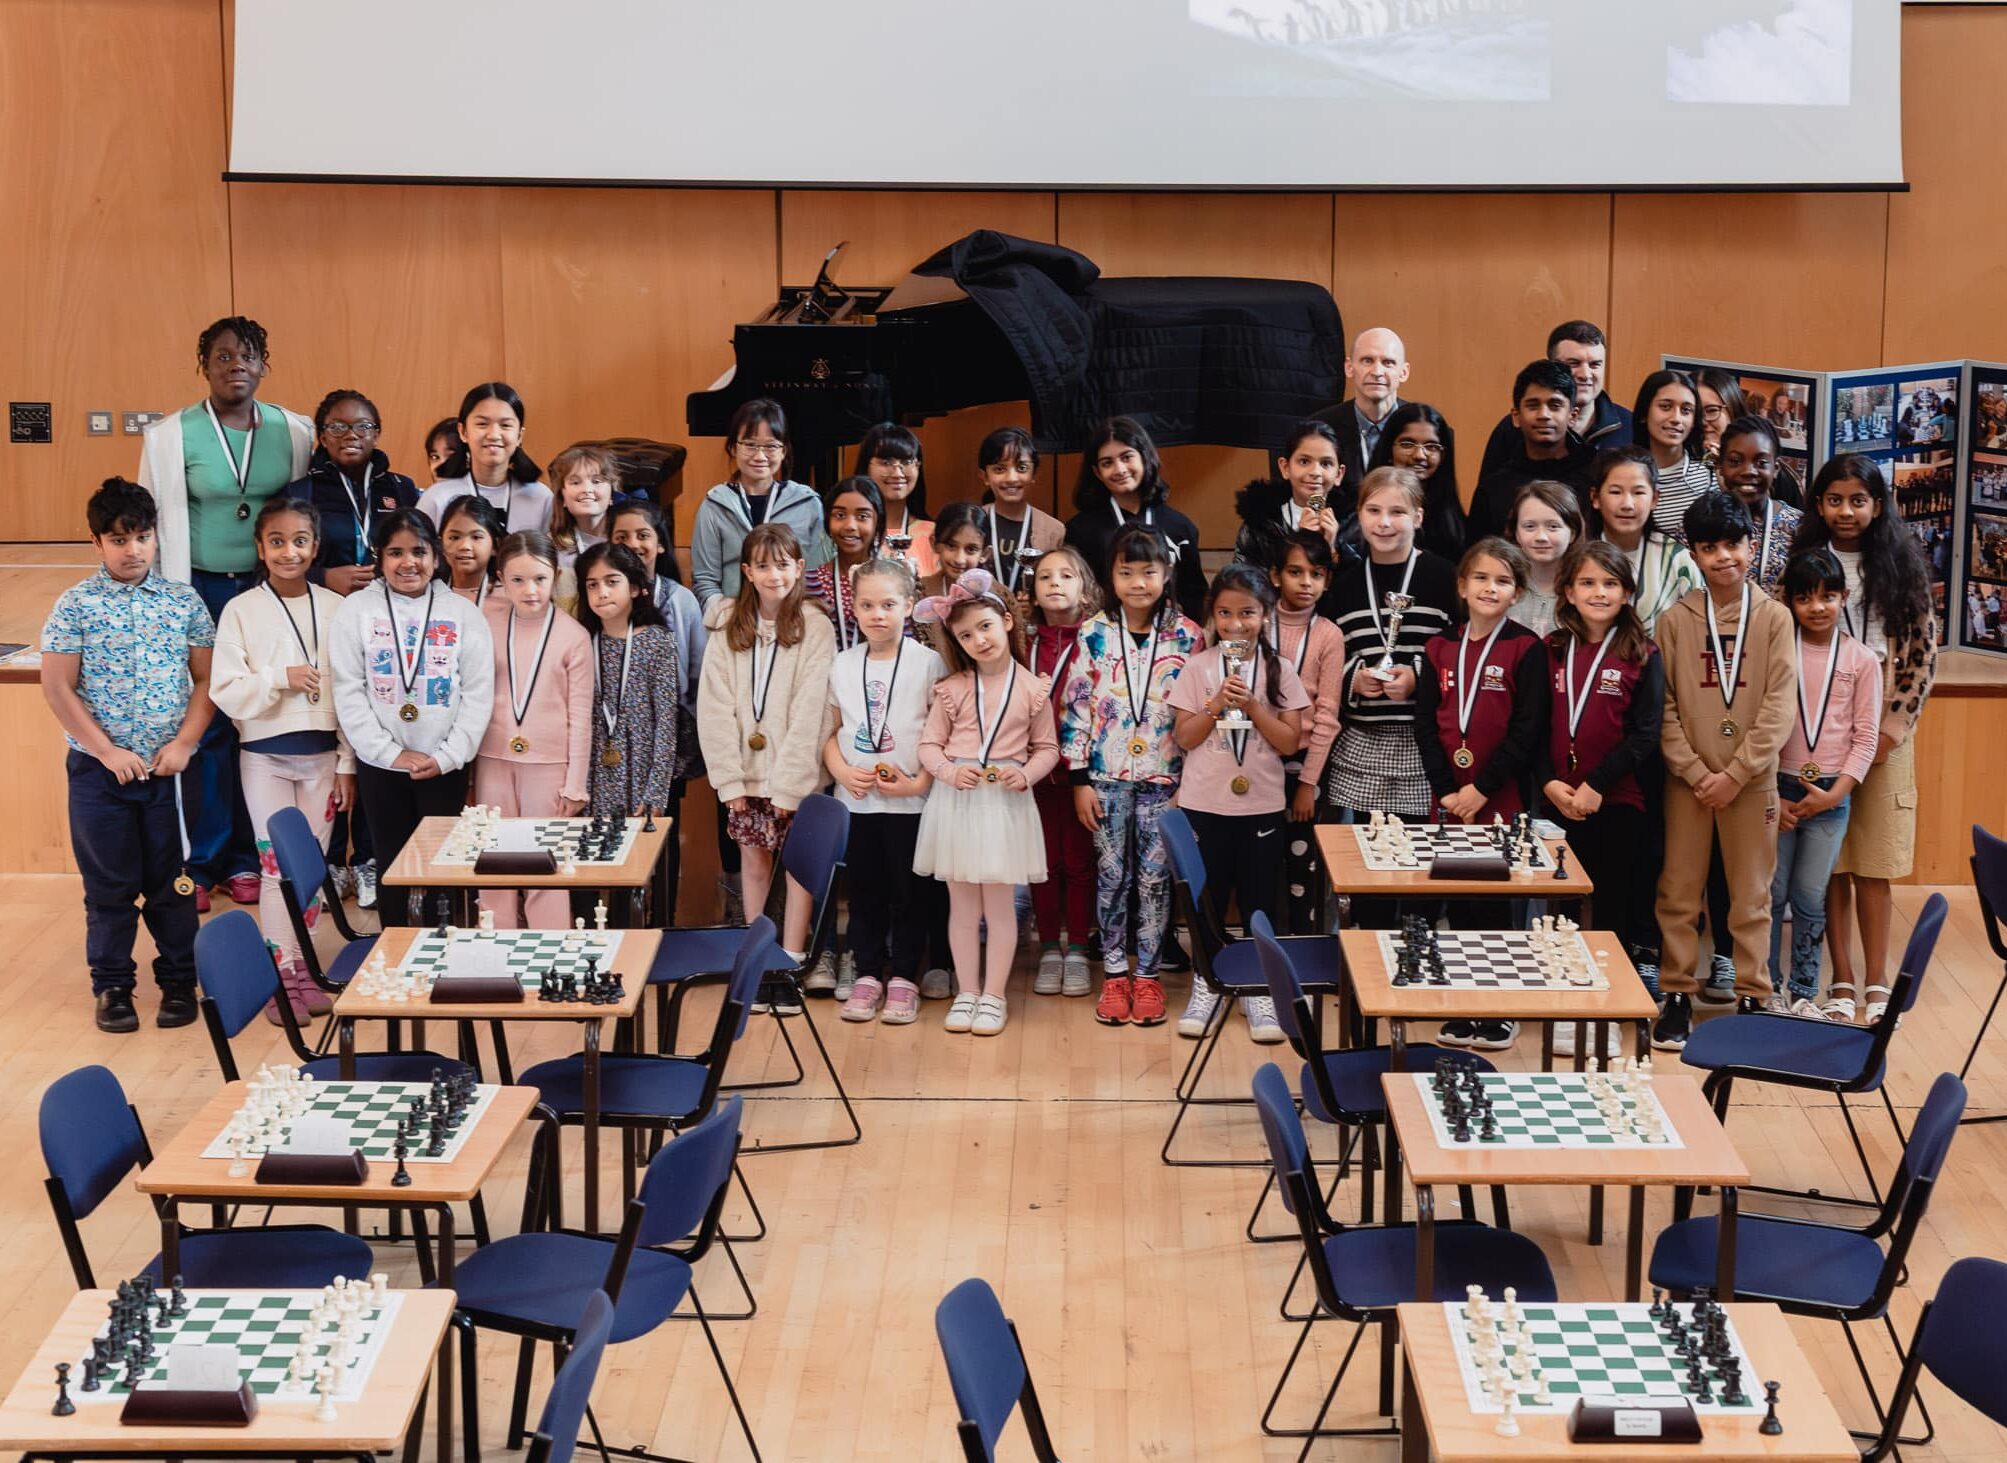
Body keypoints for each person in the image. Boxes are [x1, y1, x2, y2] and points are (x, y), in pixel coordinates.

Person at [137, 316, 314, 909]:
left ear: (264, 363)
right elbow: (152, 523)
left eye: (247, 355)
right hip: (203, 593)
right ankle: (205, 860)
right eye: (221, 355)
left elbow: (303, 513)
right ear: (204, 365)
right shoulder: (169, 436)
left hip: (271, 596)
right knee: (209, 721)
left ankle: (249, 858)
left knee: (261, 720)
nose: (235, 363)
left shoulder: (294, 431)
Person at [40, 479, 216, 1033]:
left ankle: (179, 981)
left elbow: (207, 680)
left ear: (156, 539)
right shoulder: (75, 605)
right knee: (110, 888)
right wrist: (107, 750)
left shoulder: (182, 601)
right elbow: (57, 688)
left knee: (174, 885)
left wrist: (185, 743)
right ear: (96, 543)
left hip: (169, 773)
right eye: (118, 539)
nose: (132, 549)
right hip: (100, 776)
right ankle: (113, 986)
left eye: (142, 536)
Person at [1792, 455, 1939, 1024]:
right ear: (1819, 504)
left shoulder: (1901, 568)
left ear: (1878, 505)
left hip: (1885, 736)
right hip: (1819, 735)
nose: (1846, 511)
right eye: (1834, 499)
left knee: (1874, 861)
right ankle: (1843, 978)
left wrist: (1893, 728)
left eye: (1858, 500)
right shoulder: (1802, 567)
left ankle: (1878, 979)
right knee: (1831, 863)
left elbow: (1922, 660)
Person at [1650, 490, 1795, 1051]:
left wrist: (1737, 772)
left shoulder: (1775, 618)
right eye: (1709, 548)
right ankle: (1678, 991)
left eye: (1732, 545)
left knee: (1752, 894)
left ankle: (1754, 993)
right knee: (1679, 891)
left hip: (1750, 781)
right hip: (1688, 783)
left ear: (1750, 546)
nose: (1723, 558)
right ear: (1694, 553)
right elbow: (1662, 708)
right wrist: (1692, 768)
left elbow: (1779, 705)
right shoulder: (1676, 620)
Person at [209, 497, 355, 1023]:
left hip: (322, 760)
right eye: (277, 542)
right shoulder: (241, 610)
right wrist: (280, 678)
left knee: (310, 870)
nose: (289, 551)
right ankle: (279, 975)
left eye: (300, 541)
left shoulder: (337, 607)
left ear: (316, 546)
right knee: (276, 868)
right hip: (265, 758)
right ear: (260, 548)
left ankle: (305, 964)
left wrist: (347, 763)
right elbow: (225, 690)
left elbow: (354, 693)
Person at [1059, 526, 1204, 1027]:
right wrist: (1079, 779)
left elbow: (1198, 711)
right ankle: (1116, 974)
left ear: (1167, 574)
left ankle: (1149, 978)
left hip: (1166, 777)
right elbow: (1075, 707)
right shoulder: (1094, 632)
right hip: (1105, 778)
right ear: (1111, 577)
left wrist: (1190, 782)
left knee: (1155, 879)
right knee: (1112, 875)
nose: (1138, 582)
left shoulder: (1189, 635)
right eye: (1126, 572)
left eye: (1149, 571)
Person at [280, 388, 419, 910]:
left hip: (386, 630)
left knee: (375, 733)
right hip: (323, 623)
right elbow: (276, 556)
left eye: (362, 427)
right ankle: (333, 858)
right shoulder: (302, 491)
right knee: (335, 736)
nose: (351, 437)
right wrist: (324, 575)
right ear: (321, 435)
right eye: (337, 427)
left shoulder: (399, 487)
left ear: (377, 432)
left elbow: (417, 550)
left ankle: (368, 860)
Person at [328, 509, 494, 927]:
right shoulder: (355, 611)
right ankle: (397, 951)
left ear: (436, 556)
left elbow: (477, 692)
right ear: (379, 558)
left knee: (444, 862)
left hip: (444, 763)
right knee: (392, 862)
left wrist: (450, 755)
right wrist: (388, 752)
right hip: (382, 763)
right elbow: (348, 689)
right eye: (395, 552)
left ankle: (448, 949)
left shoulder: (462, 612)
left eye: (419, 551)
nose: (408, 562)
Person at [1414, 535, 1546, 1049]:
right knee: (1460, 904)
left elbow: (1526, 731)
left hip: (1500, 799)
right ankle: (1468, 1003)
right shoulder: (1439, 647)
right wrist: (1449, 790)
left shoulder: (1525, 648)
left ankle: (1500, 1008)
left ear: (1517, 593)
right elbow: (1426, 724)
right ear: (1462, 585)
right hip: (1448, 801)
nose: (1490, 588)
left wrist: (1481, 789)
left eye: (1503, 580)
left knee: (1498, 906)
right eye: (1481, 578)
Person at [913, 569, 1059, 1036]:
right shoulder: (952, 688)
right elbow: (928, 747)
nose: (979, 639)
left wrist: (1027, 773)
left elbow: (1049, 749)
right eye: (966, 635)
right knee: (962, 908)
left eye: (985, 627)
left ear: (1007, 622)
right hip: (958, 804)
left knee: (999, 908)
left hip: (1004, 808)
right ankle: (967, 992)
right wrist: (951, 771)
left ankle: (994, 995)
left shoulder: (1034, 689)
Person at [1169, 563, 1308, 1043]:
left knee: (1258, 903)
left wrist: (1252, 706)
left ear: (1265, 614)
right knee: (1208, 899)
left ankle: (1259, 988)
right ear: (1212, 615)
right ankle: (1207, 983)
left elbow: (1290, 743)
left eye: (1247, 612)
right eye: (1225, 613)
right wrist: (1214, 705)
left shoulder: (1280, 669)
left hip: (1262, 807)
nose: (1235, 624)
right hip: (1205, 806)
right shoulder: (1197, 667)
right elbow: (1185, 738)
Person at [1538, 540, 1665, 1054]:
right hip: (1556, 801)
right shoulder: (1548, 650)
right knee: (1563, 907)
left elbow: (1644, 734)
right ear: (1567, 590)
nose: (1598, 592)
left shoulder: (1643, 654)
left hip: (1616, 802)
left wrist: (1596, 786)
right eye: (1587, 582)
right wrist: (1550, 781)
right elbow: (1531, 725)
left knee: (1609, 906)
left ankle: (1607, 1011)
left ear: (1628, 593)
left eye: (1610, 583)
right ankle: (1569, 1006)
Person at [696, 523, 835, 982]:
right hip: (745, 774)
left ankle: (792, 961)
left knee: (796, 868)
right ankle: (755, 960)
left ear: (799, 567)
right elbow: (713, 708)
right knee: (753, 863)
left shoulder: (815, 626)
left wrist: (791, 786)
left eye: (782, 564)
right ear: (747, 572)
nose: (773, 574)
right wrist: (729, 781)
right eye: (762, 565)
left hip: (794, 775)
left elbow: (812, 711)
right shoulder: (726, 625)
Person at [825, 557, 944, 1026]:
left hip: (911, 802)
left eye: (889, 604)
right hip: (856, 802)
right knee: (865, 892)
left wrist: (918, 782)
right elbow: (831, 733)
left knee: (911, 893)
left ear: (909, 606)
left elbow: (940, 735)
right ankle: (868, 973)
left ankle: (905, 980)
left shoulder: (928, 662)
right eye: (868, 604)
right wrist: (840, 771)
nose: (878, 614)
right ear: (853, 608)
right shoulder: (843, 663)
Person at [1769, 550, 1879, 1016]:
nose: (1817, 607)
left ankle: (1804, 992)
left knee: (1810, 896)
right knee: (1771, 894)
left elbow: (1867, 734)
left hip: (1832, 795)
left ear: (1843, 597)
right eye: (1804, 598)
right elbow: (1760, 719)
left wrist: (1838, 792)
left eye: (1827, 597)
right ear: (1789, 601)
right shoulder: (1777, 650)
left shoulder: (1862, 659)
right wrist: (1771, 792)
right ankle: (1766, 986)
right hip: (1776, 789)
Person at [1325, 468, 1460, 842]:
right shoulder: (1344, 583)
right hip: (1362, 741)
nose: (1384, 523)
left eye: (1398, 512)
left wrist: (1419, 675)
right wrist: (1355, 676)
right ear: (1360, 515)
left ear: (1418, 516)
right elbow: (1332, 652)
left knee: (1421, 863)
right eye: (1374, 511)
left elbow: (1460, 650)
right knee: (1368, 865)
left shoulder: (1446, 577)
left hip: (1425, 742)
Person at [475, 532, 594, 929]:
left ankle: (551, 960)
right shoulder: (484, 622)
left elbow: (581, 717)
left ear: (556, 576)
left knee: (547, 869)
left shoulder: (573, 636)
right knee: (493, 864)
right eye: (518, 580)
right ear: (500, 578)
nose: (530, 591)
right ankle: (493, 959)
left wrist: (576, 783)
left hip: (550, 765)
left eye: (540, 580)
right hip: (492, 758)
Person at [607, 499, 706, 920]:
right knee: (613, 834)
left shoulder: (681, 600)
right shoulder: (600, 595)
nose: (633, 544)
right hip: (611, 741)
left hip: (668, 739)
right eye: (621, 537)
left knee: (660, 831)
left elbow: (698, 669)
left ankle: (660, 922)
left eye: (643, 535)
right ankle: (615, 924)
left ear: (661, 544)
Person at [1025, 545, 1100, 998]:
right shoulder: (1023, 641)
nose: (1055, 583)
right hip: (1034, 774)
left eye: (1066, 575)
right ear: (1033, 592)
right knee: (1044, 864)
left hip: (1079, 775)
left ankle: (1078, 949)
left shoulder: (1097, 639)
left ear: (1085, 588)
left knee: (1078, 862)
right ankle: (1049, 947)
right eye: (1045, 577)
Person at [1270, 531, 1346, 935]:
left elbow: (1328, 715)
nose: (1305, 583)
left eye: (1316, 574)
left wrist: (1307, 782)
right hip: (1259, 760)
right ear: (1274, 575)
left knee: (1304, 866)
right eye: (1295, 572)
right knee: (1261, 860)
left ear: (1327, 581)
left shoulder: (1329, 635)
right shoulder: (1256, 622)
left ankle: (1303, 946)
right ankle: (1261, 950)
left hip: (1307, 768)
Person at [576, 542, 679, 829]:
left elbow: (666, 723)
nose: (602, 593)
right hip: (592, 768)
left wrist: (656, 789)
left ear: (634, 588)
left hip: (640, 765)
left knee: (635, 859)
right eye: (592, 585)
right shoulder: (581, 640)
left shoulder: (658, 642)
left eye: (612, 582)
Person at [690, 398, 825, 618]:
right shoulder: (714, 505)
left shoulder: (807, 504)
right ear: (733, 447)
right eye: (750, 445)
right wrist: (727, 617)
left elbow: (816, 575)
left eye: (771, 446)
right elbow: (705, 581)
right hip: (731, 621)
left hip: (792, 620)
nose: (760, 456)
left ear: (784, 451)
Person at [1063, 416, 1206, 622]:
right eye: (1107, 463)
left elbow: (1195, 592)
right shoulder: (1080, 531)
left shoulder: (1180, 527)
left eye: (1127, 457)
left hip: (1168, 640)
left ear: (1145, 458)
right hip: (1104, 640)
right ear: (1097, 472)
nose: (1119, 469)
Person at [1476, 321, 1632, 496]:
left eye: (1595, 364)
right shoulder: (1513, 427)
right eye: (1574, 363)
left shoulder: (1629, 426)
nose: (1585, 374)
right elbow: (1489, 495)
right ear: (1552, 366)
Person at [1469, 360, 1588, 540]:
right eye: (1533, 405)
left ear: (1573, 416)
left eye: (1554, 405)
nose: (1544, 415)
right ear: (1516, 416)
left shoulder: (1595, 475)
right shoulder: (1494, 487)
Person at [415, 382, 554, 536]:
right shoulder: (437, 498)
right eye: (482, 424)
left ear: (519, 436)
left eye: (505, 425)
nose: (494, 435)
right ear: (463, 432)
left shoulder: (542, 498)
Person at [1587, 444, 1698, 634]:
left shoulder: (1676, 557)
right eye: (1615, 492)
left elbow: (1700, 623)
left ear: (1654, 499)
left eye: (1638, 492)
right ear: (1595, 497)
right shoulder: (1581, 558)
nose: (1627, 504)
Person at [1235, 420, 1350, 598]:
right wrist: (1298, 544)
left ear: (1339, 474)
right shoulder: (1261, 523)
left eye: (1326, 463)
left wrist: (1331, 549)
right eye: (1304, 461)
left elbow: (1357, 589)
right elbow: (1243, 586)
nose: (1315, 472)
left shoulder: (1353, 522)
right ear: (1285, 467)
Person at [1364, 402, 1466, 563]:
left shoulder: (1455, 521)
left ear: (1443, 455)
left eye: (1431, 446)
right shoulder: (1363, 511)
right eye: (1407, 444)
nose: (1419, 455)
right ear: (1389, 449)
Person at [977, 425, 1065, 605]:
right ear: (984, 476)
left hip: (1033, 628)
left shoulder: (1053, 531)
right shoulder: (971, 522)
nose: (1011, 478)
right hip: (982, 625)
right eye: (999, 469)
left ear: (1034, 473)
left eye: (1021, 468)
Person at [1314, 326, 1412, 488]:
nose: (1377, 371)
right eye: (1367, 361)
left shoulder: (1427, 430)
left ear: (1404, 372)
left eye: (1388, 362)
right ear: (1349, 367)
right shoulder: (1319, 429)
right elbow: (1311, 493)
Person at [1714, 415, 1802, 593]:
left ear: (1776, 468)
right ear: (1720, 466)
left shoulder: (1798, 527)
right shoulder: (1701, 522)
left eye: (1761, 462)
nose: (1748, 471)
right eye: (1735, 461)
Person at [803, 476, 883, 656]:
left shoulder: (894, 583)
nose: (850, 526)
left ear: (878, 522)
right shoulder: (807, 583)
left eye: (863, 516)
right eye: (840, 515)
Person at [1631, 369, 1714, 541]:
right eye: (1665, 407)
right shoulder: (1624, 474)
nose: (1676, 418)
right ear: (1644, 414)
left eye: (1686, 410)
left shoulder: (1710, 478)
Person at [1505, 480, 1584, 638]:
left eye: (1553, 526)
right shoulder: (1501, 586)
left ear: (1573, 533)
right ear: (1516, 533)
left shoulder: (1587, 589)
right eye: (1530, 526)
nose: (1541, 537)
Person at [856, 422, 936, 577]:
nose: (897, 473)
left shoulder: (934, 534)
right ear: (866, 467)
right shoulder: (849, 532)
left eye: (907, 462)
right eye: (886, 462)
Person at [546, 444, 620, 569]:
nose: (587, 489)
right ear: (562, 497)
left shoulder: (626, 540)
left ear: (612, 494)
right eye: (575, 482)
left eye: (596, 481)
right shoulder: (549, 548)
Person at [438, 494, 504, 608]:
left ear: (495, 546)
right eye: (454, 537)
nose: (465, 546)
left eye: (476, 537)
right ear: (441, 544)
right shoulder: (431, 593)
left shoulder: (510, 596)